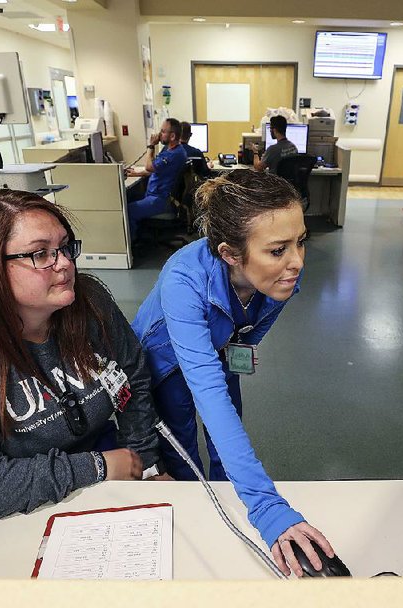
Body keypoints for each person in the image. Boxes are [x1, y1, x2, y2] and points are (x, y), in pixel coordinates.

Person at [0, 189, 168, 522]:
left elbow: (132, 378)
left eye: (64, 247)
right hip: (21, 500)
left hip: (103, 469)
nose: (64, 264)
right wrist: (96, 467)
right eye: (40, 254)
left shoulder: (87, 303)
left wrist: (145, 463)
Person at [131, 169, 334, 577]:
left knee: (228, 434)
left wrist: (235, 347)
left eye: (301, 242)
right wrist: (268, 506)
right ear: (229, 253)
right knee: (184, 446)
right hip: (167, 362)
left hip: (223, 347)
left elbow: (252, 331)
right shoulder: (183, 280)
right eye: (278, 250)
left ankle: (234, 515)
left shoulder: (281, 277)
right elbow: (205, 388)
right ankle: (202, 529)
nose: (296, 262)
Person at [125, 118, 187, 240]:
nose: (159, 134)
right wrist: (136, 173)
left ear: (173, 136)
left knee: (127, 211)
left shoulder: (174, 154)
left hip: (160, 200)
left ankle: (132, 246)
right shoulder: (170, 149)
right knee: (128, 198)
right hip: (156, 195)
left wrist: (151, 145)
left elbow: (149, 166)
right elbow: (156, 169)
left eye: (163, 131)